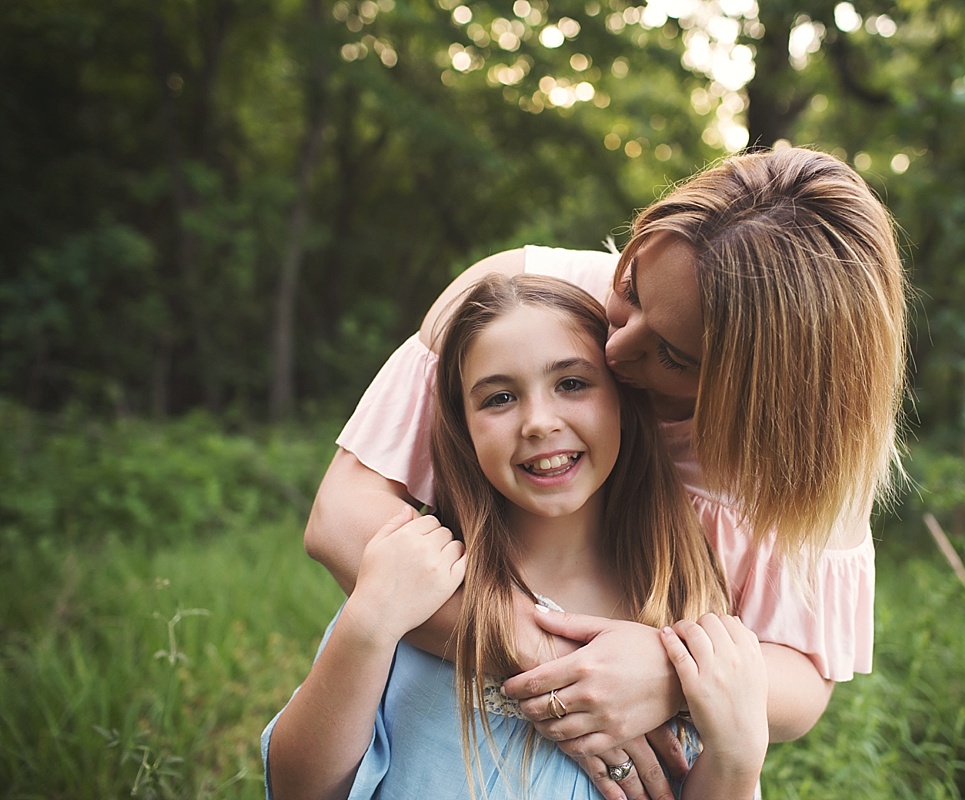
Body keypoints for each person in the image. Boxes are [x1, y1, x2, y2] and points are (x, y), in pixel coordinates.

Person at [303, 146, 909, 799]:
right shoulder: (528, 305)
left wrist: (666, 678)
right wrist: (553, 667)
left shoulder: (805, 462)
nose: (615, 347)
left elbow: (802, 681)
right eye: (631, 291)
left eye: (672, 354)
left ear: (762, 389)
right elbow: (342, 520)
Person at [263, 274, 769, 799]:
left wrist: (736, 755)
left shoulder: (682, 611)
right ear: (463, 425)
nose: (538, 423)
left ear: (624, 401)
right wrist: (369, 623)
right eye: (499, 398)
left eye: (572, 384)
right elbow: (297, 789)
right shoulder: (420, 583)